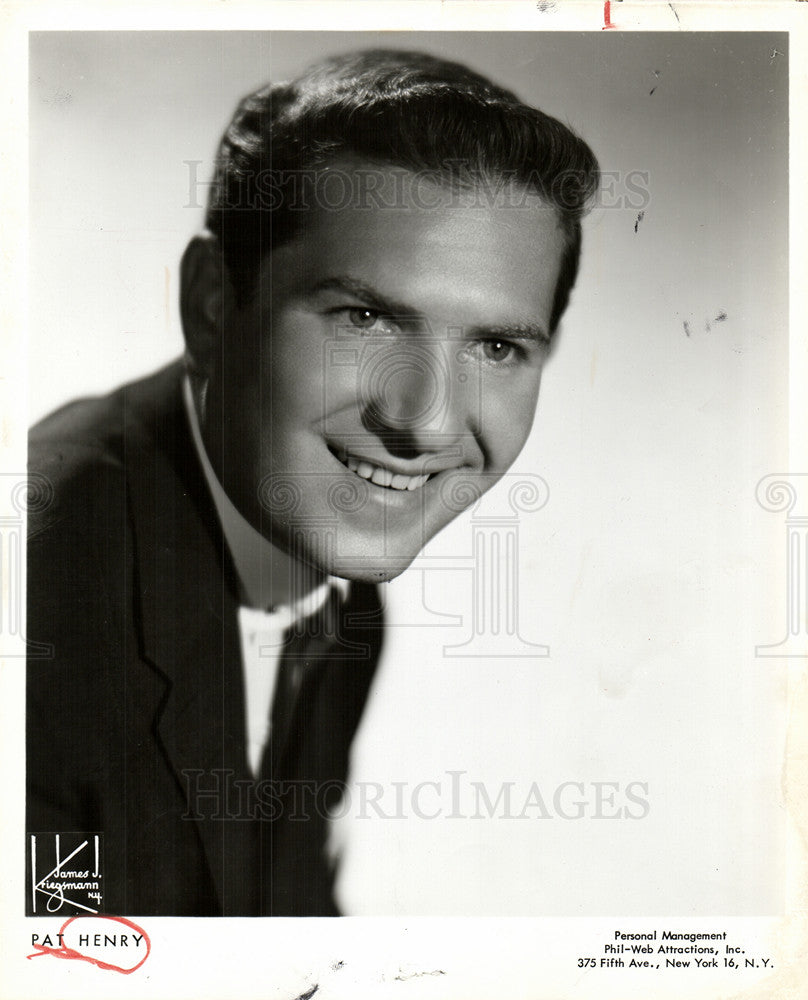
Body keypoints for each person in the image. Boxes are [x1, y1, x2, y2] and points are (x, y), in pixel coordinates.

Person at [26, 49, 599, 916]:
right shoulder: (34, 596)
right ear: (213, 307)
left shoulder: (337, 604)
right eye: (363, 317)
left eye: (496, 348)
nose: (427, 422)